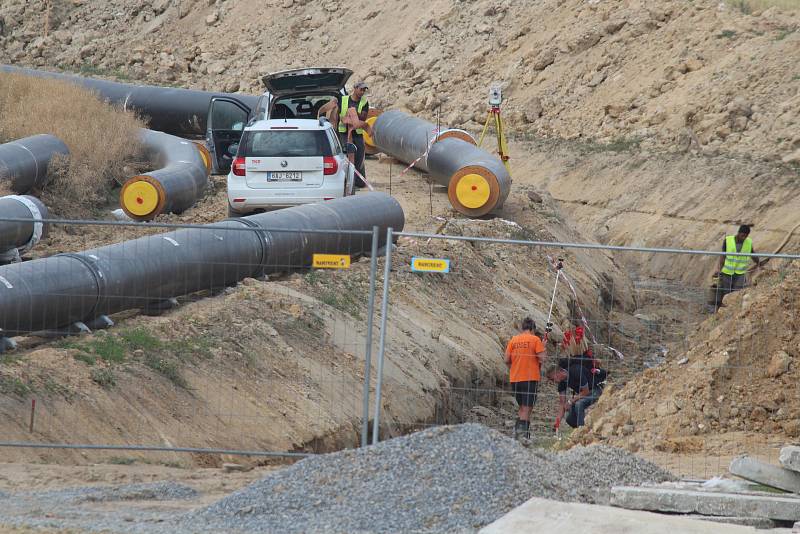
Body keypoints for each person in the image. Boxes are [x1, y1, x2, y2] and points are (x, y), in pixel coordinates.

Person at [317, 82, 371, 187]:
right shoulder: (344, 99)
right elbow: (337, 115)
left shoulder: (364, 102)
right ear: (355, 88)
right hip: (344, 133)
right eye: (361, 89)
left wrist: (354, 114)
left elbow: (363, 117)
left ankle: (358, 182)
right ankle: (345, 181)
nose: (363, 92)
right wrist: (346, 118)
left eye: (364, 90)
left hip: (357, 134)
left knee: (359, 157)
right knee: (345, 158)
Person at [504, 317, 547, 439]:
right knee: (527, 409)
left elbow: (506, 360)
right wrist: (543, 347)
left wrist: (515, 368)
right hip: (530, 379)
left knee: (522, 408)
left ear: (522, 328)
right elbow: (542, 358)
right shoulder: (535, 339)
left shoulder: (513, 340)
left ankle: (523, 435)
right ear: (532, 329)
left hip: (515, 379)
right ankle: (521, 437)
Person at [713, 225, 761, 311]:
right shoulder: (728, 241)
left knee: (737, 293)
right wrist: (719, 269)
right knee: (726, 293)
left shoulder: (748, 242)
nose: (744, 238)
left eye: (746, 236)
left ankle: (733, 311)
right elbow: (722, 256)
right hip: (727, 272)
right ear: (738, 233)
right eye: (742, 235)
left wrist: (759, 262)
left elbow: (752, 254)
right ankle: (721, 312)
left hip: (740, 273)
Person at [545, 362, 606, 429]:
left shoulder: (576, 370)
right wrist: (557, 422)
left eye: (553, 379)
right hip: (583, 394)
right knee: (570, 420)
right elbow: (562, 403)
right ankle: (578, 431)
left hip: (595, 390)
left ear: (559, 372)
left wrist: (570, 401)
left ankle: (581, 430)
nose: (553, 381)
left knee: (579, 404)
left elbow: (586, 391)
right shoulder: (561, 383)